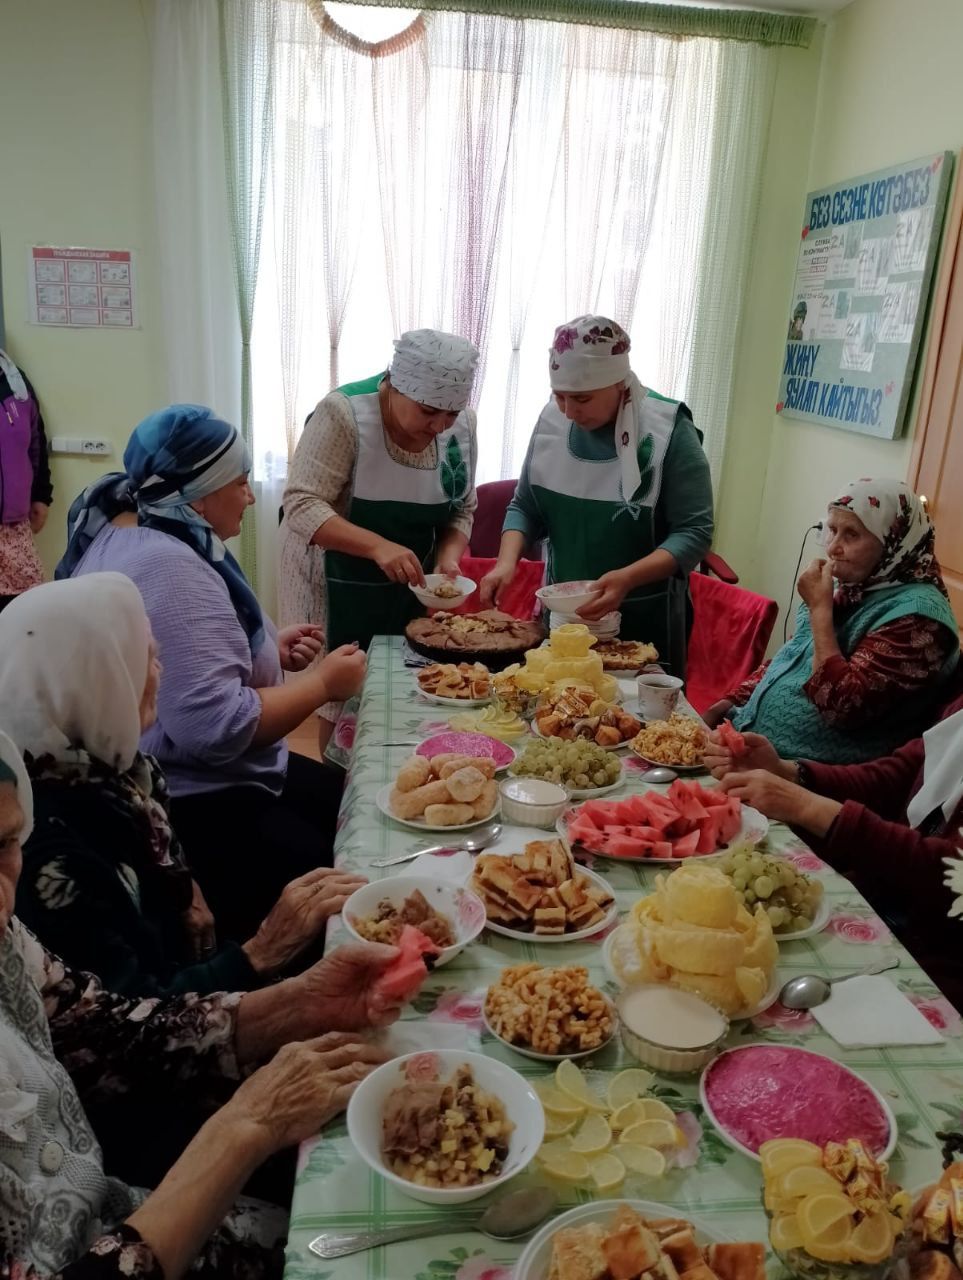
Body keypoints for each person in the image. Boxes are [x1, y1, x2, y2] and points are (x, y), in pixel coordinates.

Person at [0, 728, 403, 1280]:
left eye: (3, 845)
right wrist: (246, 1125)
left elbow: (94, 1029)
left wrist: (298, 1002)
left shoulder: (6, 939)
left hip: (118, 1199)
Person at [55, 405, 366, 941]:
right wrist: (321, 686)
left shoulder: (135, 526)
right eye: (241, 483)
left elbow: (193, 650)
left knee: (356, 799)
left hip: (196, 775)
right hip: (199, 799)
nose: (250, 495)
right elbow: (218, 729)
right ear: (199, 493)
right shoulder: (169, 566)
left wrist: (267, 648)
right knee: (348, 872)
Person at [0, 574, 366, 999]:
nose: (160, 671)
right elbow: (134, 1017)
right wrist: (261, 951)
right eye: (143, 660)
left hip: (186, 970)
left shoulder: (107, 766)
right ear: (96, 685)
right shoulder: (47, 851)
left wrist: (187, 890)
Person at [480, 316, 713, 677]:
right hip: (562, 621)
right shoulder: (552, 424)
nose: (570, 412)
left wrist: (628, 578)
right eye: (560, 397)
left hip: (644, 619)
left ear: (619, 383)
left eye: (583, 399)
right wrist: (506, 563)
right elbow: (525, 506)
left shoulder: (668, 429)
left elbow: (694, 532)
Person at [280, 329, 479, 744]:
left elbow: (462, 507)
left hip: (407, 582)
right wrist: (377, 546)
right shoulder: (345, 414)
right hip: (333, 578)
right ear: (395, 384)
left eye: (451, 415)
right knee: (340, 693)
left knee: (405, 685)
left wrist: (448, 559)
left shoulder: (459, 429)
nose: (440, 426)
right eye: (428, 411)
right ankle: (338, 790)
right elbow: (302, 503)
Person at [704, 697, 963, 1011]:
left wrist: (807, 807)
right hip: (879, 900)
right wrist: (789, 772)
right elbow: (895, 775)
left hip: (938, 969)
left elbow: (949, 871)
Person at [704, 480, 959, 763]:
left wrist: (820, 611)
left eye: (851, 535)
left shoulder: (920, 620)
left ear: (893, 541)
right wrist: (729, 703)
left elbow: (843, 708)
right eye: (832, 530)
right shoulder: (855, 587)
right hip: (746, 747)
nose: (833, 548)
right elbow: (791, 661)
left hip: (805, 780)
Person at [0, 348, 52, 611]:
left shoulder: (14, 381)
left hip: (14, 528)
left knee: (26, 613)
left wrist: (41, 495)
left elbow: (35, 442)